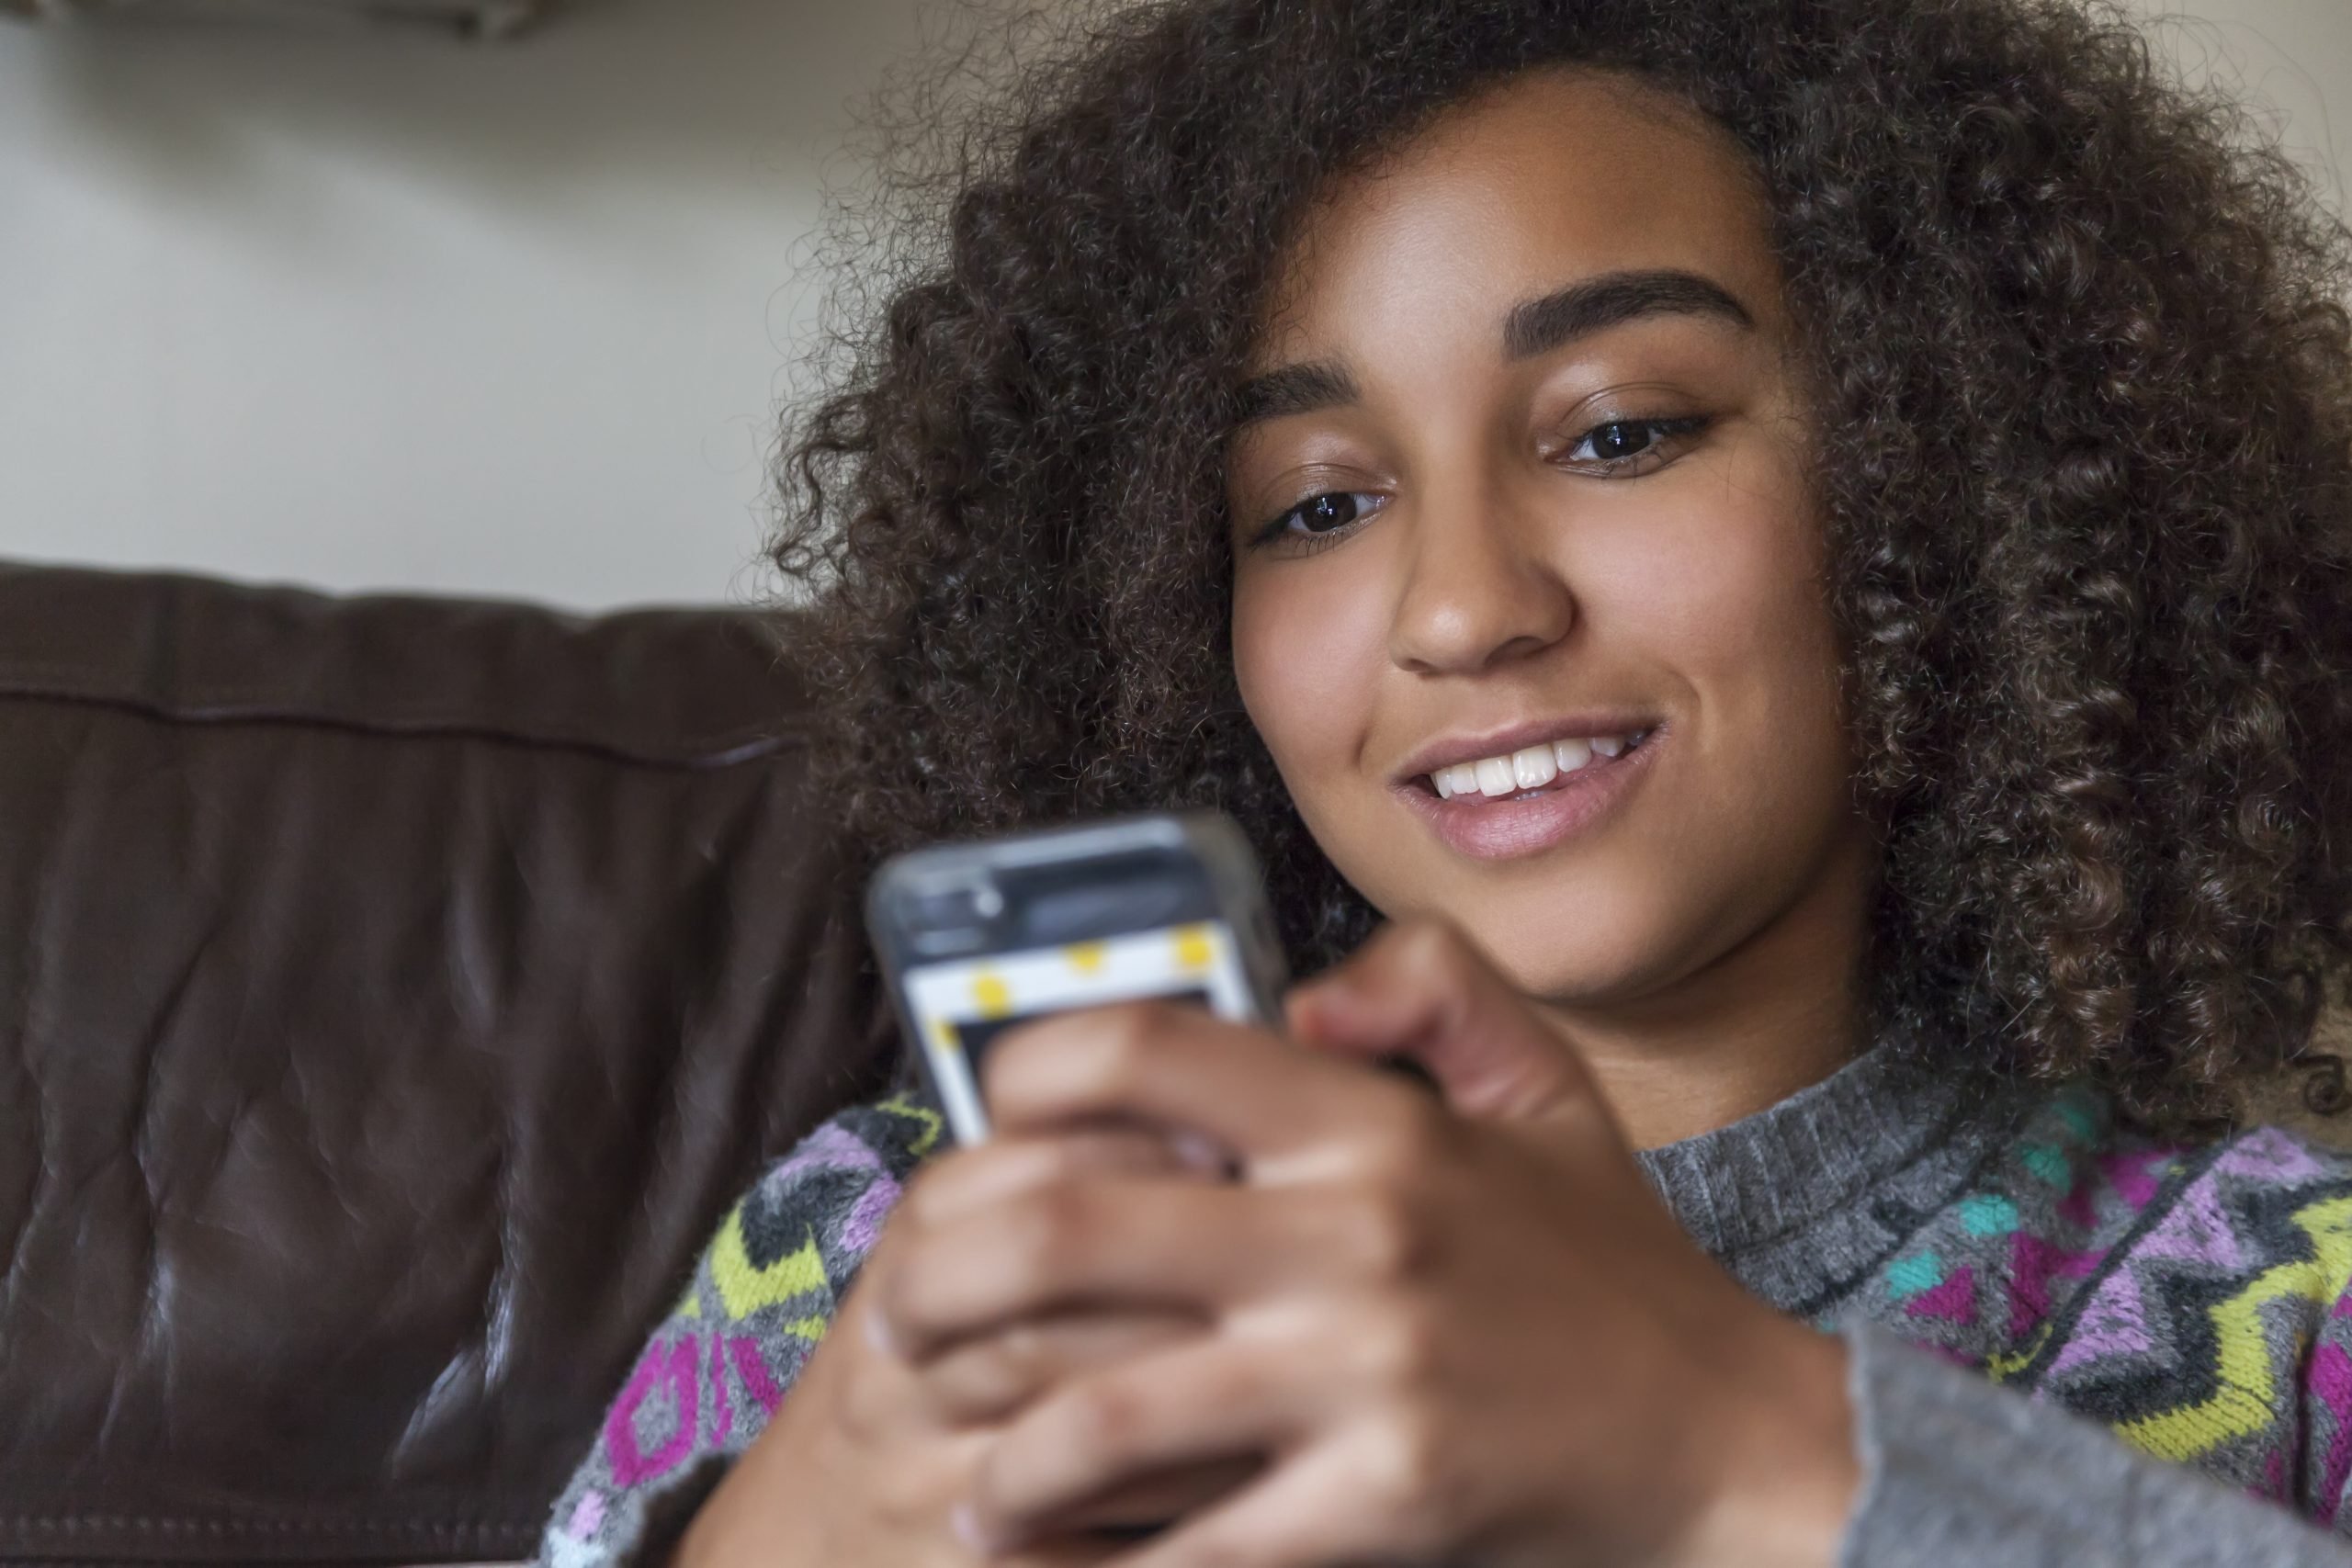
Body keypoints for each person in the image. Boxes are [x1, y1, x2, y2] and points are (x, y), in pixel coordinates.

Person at [537, 0, 2352, 1562]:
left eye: (1620, 431)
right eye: (1316, 506)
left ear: (1951, 476)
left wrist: (1725, 1441)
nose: (1467, 606)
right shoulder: (904, 1250)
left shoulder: (2286, 1298)